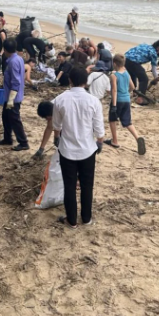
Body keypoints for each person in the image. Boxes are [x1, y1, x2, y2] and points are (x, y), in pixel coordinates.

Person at [52, 67, 104, 228]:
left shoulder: (60, 99)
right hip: (88, 150)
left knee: (69, 185)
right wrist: (99, 143)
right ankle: (86, 218)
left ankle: (71, 220)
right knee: (87, 185)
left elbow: (56, 125)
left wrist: (56, 139)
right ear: (86, 81)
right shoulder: (93, 100)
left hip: (67, 150)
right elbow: (99, 129)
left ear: (70, 80)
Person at [106, 54, 146, 154]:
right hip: (126, 100)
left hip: (118, 100)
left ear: (114, 63)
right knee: (127, 122)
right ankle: (137, 138)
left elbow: (114, 90)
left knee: (112, 120)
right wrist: (125, 91)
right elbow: (132, 87)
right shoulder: (126, 73)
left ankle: (114, 141)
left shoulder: (114, 75)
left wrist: (114, 105)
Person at [0, 38, 29, 151]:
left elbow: (15, 81)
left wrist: (11, 98)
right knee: (6, 117)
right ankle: (7, 138)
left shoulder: (12, 62)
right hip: (11, 95)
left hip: (13, 97)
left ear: (5, 50)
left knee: (15, 119)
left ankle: (23, 142)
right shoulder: (18, 58)